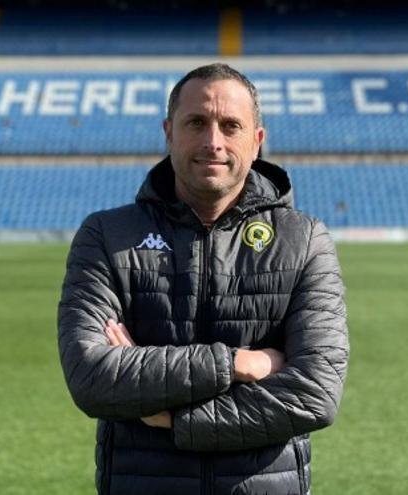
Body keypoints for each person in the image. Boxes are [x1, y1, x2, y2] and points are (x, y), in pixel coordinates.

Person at [57, 63, 349, 495]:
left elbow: (315, 394)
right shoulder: (107, 235)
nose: (213, 142)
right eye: (197, 123)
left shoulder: (304, 240)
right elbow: (93, 378)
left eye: (231, 126)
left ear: (257, 142)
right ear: (169, 132)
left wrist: (175, 419)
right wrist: (237, 363)